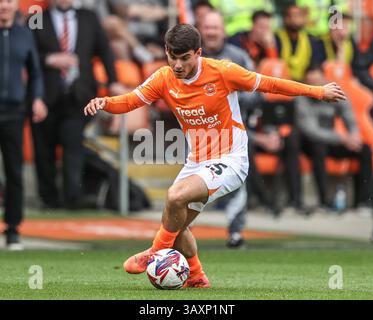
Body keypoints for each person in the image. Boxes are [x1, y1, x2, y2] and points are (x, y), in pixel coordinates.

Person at [84, 24, 346, 288]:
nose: (177, 65)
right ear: (166, 52)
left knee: (175, 196)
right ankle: (197, 276)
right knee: (176, 227)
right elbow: (130, 101)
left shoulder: (222, 72)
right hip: (196, 162)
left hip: (231, 159)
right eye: (172, 57)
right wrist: (104, 102)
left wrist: (318, 91)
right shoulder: (164, 78)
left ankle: (153, 252)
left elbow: (269, 84)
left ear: (198, 53)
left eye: (184, 58)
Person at [31, 0, 123, 209]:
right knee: (43, 149)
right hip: (44, 97)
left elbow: (105, 50)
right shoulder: (37, 18)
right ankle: (49, 200)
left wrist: (113, 81)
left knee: (72, 144)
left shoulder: (88, 17)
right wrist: (49, 59)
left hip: (78, 96)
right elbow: (28, 51)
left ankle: (72, 199)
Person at [198, 9, 256, 248]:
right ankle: (182, 233)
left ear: (224, 31)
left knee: (239, 180)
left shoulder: (239, 57)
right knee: (190, 184)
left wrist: (230, 95)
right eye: (207, 28)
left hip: (232, 132)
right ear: (200, 31)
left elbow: (257, 94)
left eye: (216, 27)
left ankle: (235, 231)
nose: (211, 32)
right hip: (198, 132)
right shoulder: (191, 59)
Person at [0, 0, 47, 249]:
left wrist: (37, 98)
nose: (3, 6)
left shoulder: (24, 34)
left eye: (8, 1)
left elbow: (35, 72)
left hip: (14, 112)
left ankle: (13, 229)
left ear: (15, 4)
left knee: (14, 172)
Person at [296, 65, 373, 209]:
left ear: (324, 78)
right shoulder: (302, 97)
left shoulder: (333, 91)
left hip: (332, 140)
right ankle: (324, 201)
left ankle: (362, 202)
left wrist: (354, 136)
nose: (315, 82)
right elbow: (312, 131)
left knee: (364, 149)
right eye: (311, 80)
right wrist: (342, 138)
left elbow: (349, 115)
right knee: (318, 147)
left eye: (317, 78)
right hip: (311, 142)